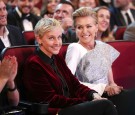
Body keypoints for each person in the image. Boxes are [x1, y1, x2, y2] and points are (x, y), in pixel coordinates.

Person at [22, 18, 118, 115]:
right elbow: (50, 100)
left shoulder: (57, 57)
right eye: (51, 38)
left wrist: (92, 94)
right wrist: (85, 102)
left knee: (122, 97)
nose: (57, 42)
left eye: (59, 37)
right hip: (56, 111)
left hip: (70, 106)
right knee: (105, 105)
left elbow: (75, 84)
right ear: (39, 39)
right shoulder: (34, 63)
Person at [65, 7, 135, 115]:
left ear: (96, 27)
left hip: (107, 94)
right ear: (75, 29)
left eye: (89, 26)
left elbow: (109, 75)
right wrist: (102, 88)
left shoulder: (103, 46)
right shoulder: (75, 48)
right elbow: (68, 81)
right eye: (80, 27)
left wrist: (112, 85)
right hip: (88, 97)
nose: (84, 31)